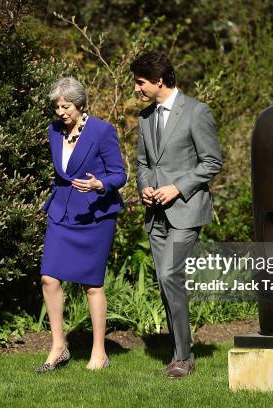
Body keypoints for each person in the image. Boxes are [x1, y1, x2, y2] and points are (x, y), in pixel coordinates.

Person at [130, 51, 222, 378]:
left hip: (186, 211)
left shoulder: (197, 112)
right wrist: (144, 186)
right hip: (155, 214)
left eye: (140, 82)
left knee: (170, 275)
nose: (136, 89)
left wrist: (176, 188)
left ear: (158, 80)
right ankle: (179, 353)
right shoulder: (144, 117)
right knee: (165, 281)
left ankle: (184, 358)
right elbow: (143, 164)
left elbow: (212, 162)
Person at [35, 77, 126, 372]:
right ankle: (59, 346)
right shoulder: (53, 130)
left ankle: (99, 352)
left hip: (95, 215)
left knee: (92, 284)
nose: (61, 112)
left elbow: (119, 174)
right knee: (49, 277)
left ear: (80, 104)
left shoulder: (102, 131)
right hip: (61, 213)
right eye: (57, 106)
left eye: (66, 106)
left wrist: (100, 183)